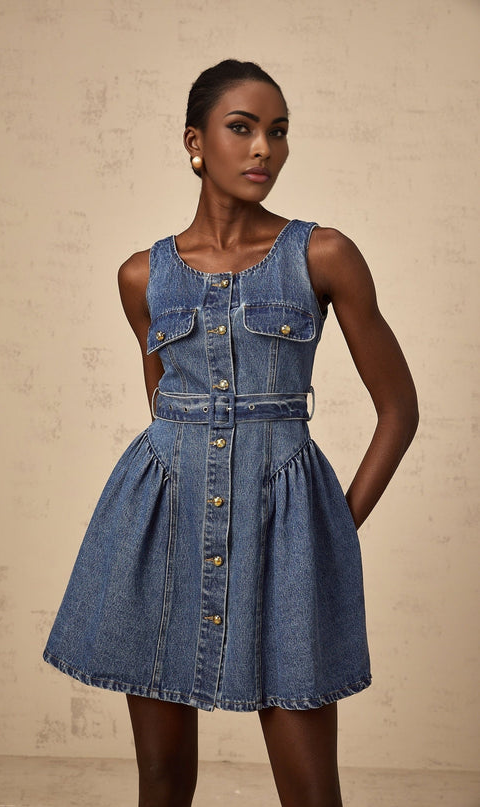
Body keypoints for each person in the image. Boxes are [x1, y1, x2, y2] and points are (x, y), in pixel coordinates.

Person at [44, 59, 419, 807]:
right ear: (196, 141)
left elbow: (399, 410)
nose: (263, 151)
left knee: (312, 790)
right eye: (242, 129)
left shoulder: (324, 254)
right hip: (157, 533)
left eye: (277, 133)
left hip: (287, 537)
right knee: (160, 779)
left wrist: (332, 529)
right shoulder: (141, 277)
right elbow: (164, 411)